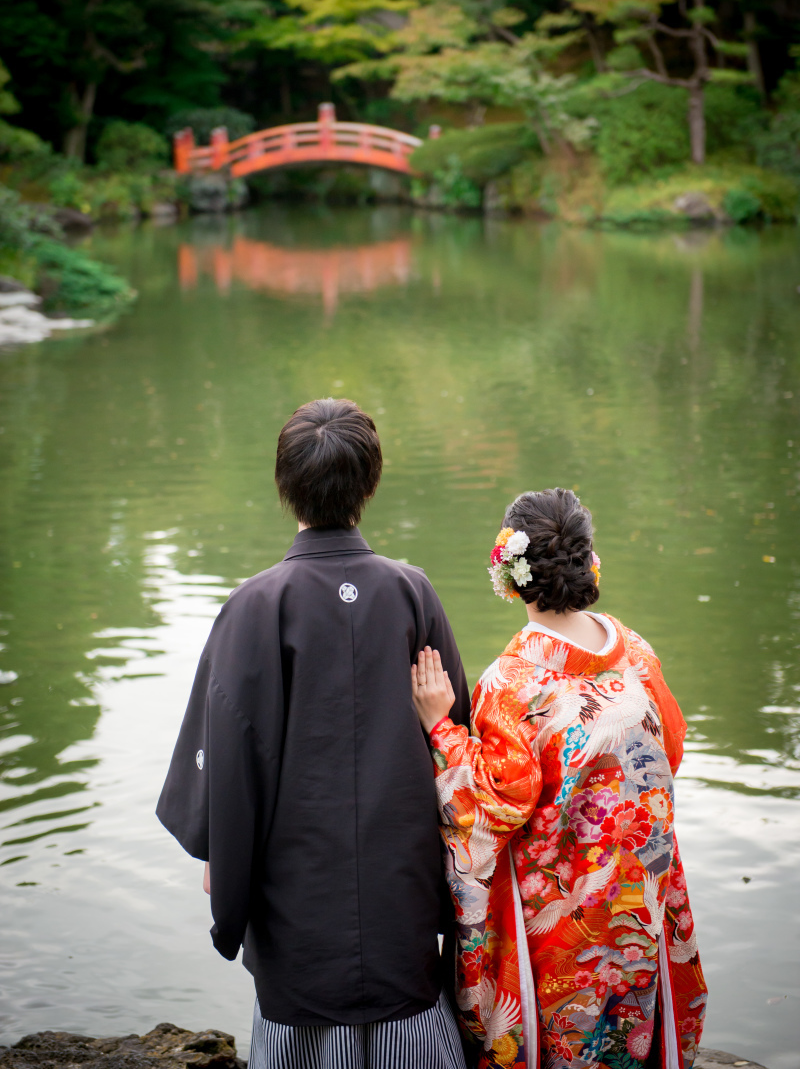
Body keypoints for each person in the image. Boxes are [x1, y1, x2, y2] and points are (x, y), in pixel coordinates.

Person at [157, 397, 470, 1069]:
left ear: (284, 484)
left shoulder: (254, 605)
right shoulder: (412, 593)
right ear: (370, 483)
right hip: (401, 894)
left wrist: (223, 851)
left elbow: (230, 757)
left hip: (296, 897)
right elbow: (458, 743)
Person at [411, 488, 707, 1069]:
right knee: (631, 1025)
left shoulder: (514, 681)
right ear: (588, 561)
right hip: (636, 893)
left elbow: (495, 805)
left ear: (510, 573)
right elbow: (669, 751)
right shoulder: (637, 654)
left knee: (566, 1035)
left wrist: (440, 727)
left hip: (559, 909)